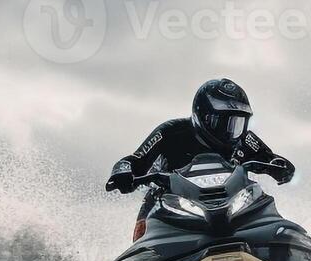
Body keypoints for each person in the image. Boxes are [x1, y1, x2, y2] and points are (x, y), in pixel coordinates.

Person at [105, 78, 297, 224]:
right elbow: (134, 160)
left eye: (237, 123)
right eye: (223, 122)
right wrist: (122, 172)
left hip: (230, 205)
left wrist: (282, 168)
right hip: (169, 206)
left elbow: (272, 159)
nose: (230, 132)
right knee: (143, 227)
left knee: (262, 202)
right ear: (203, 117)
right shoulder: (170, 132)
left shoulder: (245, 139)